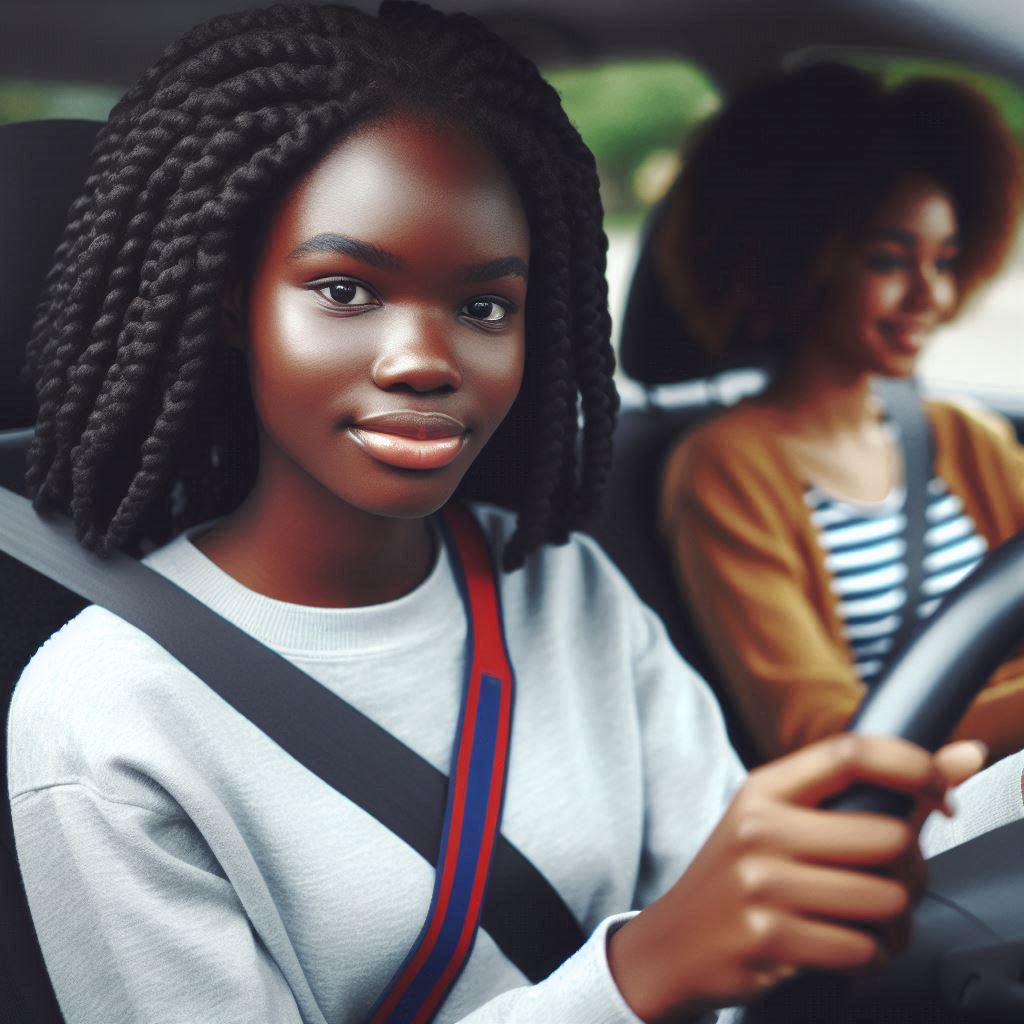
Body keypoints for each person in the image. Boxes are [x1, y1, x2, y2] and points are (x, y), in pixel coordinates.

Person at [7, 14, 1022, 1023]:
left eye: (485, 307)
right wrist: (635, 975)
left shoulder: (562, 586)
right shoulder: (105, 718)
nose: (423, 357)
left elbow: (746, 905)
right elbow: (685, 945)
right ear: (233, 304)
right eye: (344, 289)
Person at [657, 62, 1024, 765]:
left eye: (945, 261)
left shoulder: (965, 437)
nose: (930, 296)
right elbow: (818, 737)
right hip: (901, 833)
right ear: (800, 262)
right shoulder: (724, 467)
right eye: (890, 261)